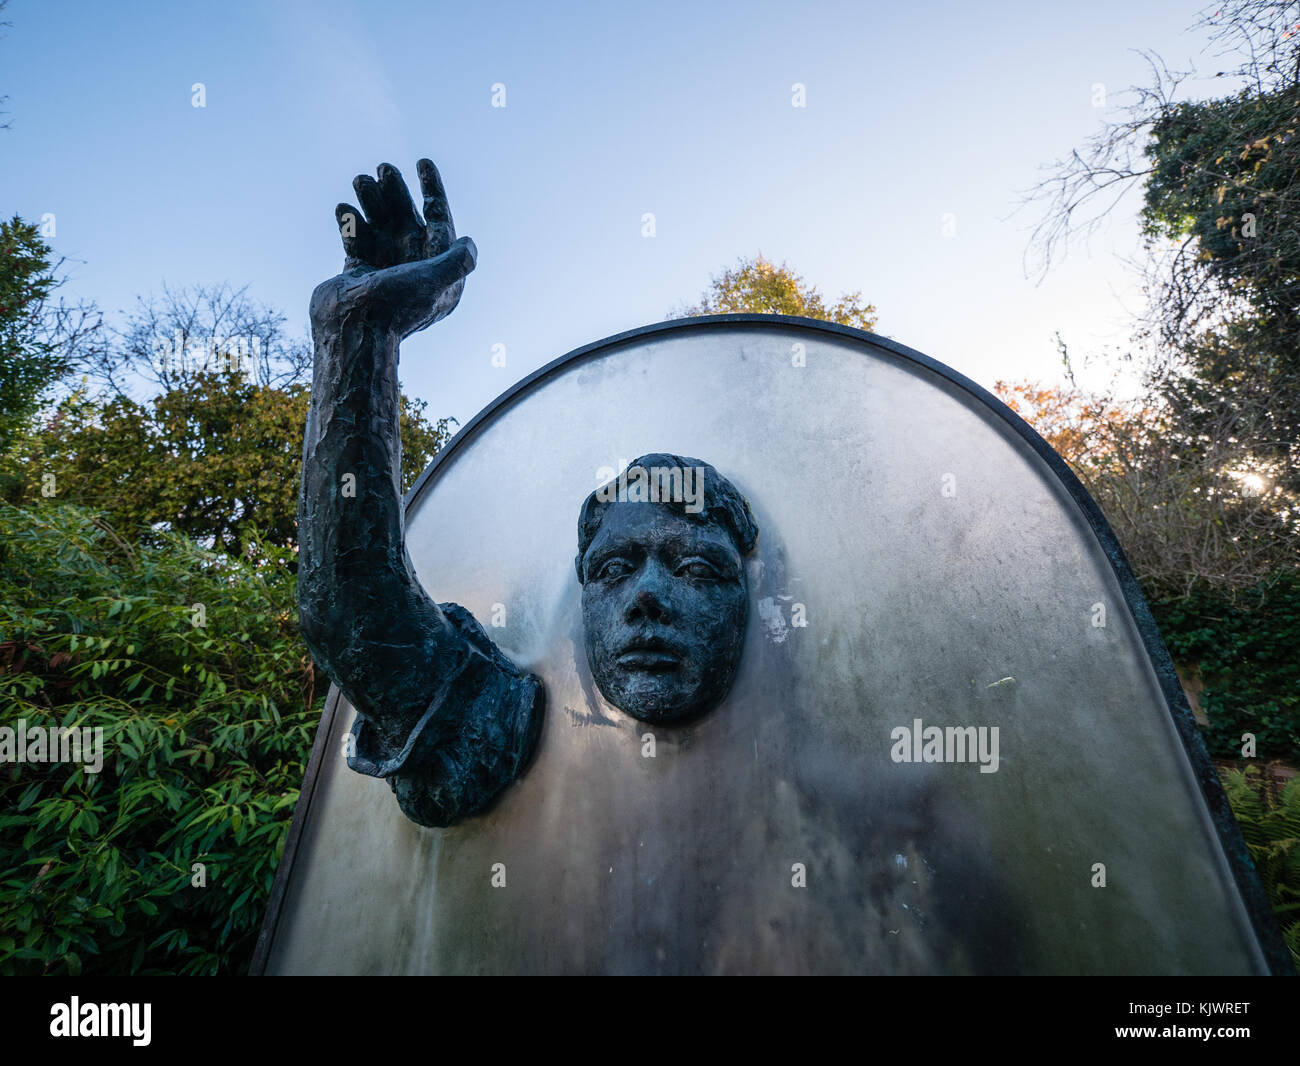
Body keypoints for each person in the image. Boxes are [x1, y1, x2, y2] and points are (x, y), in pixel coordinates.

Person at [297, 159, 756, 827]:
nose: (647, 597)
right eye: (614, 569)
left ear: (746, 590)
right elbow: (352, 612)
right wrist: (359, 338)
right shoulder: (498, 716)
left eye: (692, 566)